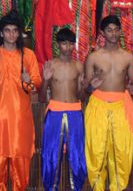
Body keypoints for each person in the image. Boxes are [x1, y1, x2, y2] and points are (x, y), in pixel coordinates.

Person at [0, 11, 42, 191]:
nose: (11, 34)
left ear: (19, 33)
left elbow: (37, 84)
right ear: (1, 33)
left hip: (20, 121)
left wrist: (28, 80)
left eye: (15, 31)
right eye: (7, 30)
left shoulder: (29, 55)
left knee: (20, 167)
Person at [83, 15, 133, 191]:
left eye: (116, 29)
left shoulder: (128, 57)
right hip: (98, 105)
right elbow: (86, 88)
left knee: (121, 152)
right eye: (109, 30)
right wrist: (91, 86)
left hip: (121, 107)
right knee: (96, 151)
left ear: (120, 31)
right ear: (103, 33)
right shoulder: (93, 57)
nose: (113, 33)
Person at [40, 28, 87, 191]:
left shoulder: (79, 66)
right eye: (64, 43)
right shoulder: (51, 65)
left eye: (70, 44)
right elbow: (41, 98)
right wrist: (45, 81)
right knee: (51, 155)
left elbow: (82, 96)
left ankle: (77, 187)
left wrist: (82, 86)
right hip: (54, 113)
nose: (68, 47)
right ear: (58, 44)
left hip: (75, 112)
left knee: (77, 154)